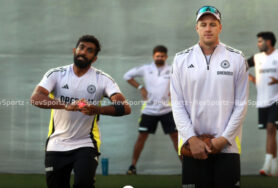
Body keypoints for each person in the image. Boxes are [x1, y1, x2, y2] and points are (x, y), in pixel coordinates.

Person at [30, 35, 131, 188]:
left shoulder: (103, 79)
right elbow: (36, 98)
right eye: (81, 47)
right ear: (74, 50)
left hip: (86, 143)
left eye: (89, 50)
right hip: (56, 143)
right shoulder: (56, 74)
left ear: (95, 58)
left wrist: (96, 109)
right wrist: (66, 105)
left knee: (83, 184)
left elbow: (125, 107)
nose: (83, 52)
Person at [170, 6, 248, 187]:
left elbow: (241, 104)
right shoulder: (181, 59)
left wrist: (224, 138)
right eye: (203, 24)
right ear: (196, 28)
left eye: (213, 24)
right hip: (194, 147)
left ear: (220, 27)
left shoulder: (237, 58)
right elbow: (177, 104)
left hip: (227, 146)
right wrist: (191, 138)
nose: (208, 28)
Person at [123, 45, 178, 175]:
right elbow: (127, 76)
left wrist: (174, 91)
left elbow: (183, 82)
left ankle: (187, 167)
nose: (160, 58)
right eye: (157, 56)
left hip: (167, 110)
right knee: (141, 137)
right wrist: (140, 87)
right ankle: (132, 166)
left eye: (162, 56)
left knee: (176, 138)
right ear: (153, 56)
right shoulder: (146, 69)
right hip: (149, 110)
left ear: (166, 57)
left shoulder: (172, 69)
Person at [247, 32, 278, 176]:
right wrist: (252, 78)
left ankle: (266, 167)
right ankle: (275, 169)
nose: (258, 44)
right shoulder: (257, 58)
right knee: (271, 132)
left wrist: (277, 81)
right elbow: (240, 66)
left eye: (260, 41)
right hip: (262, 101)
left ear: (268, 42)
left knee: (270, 128)